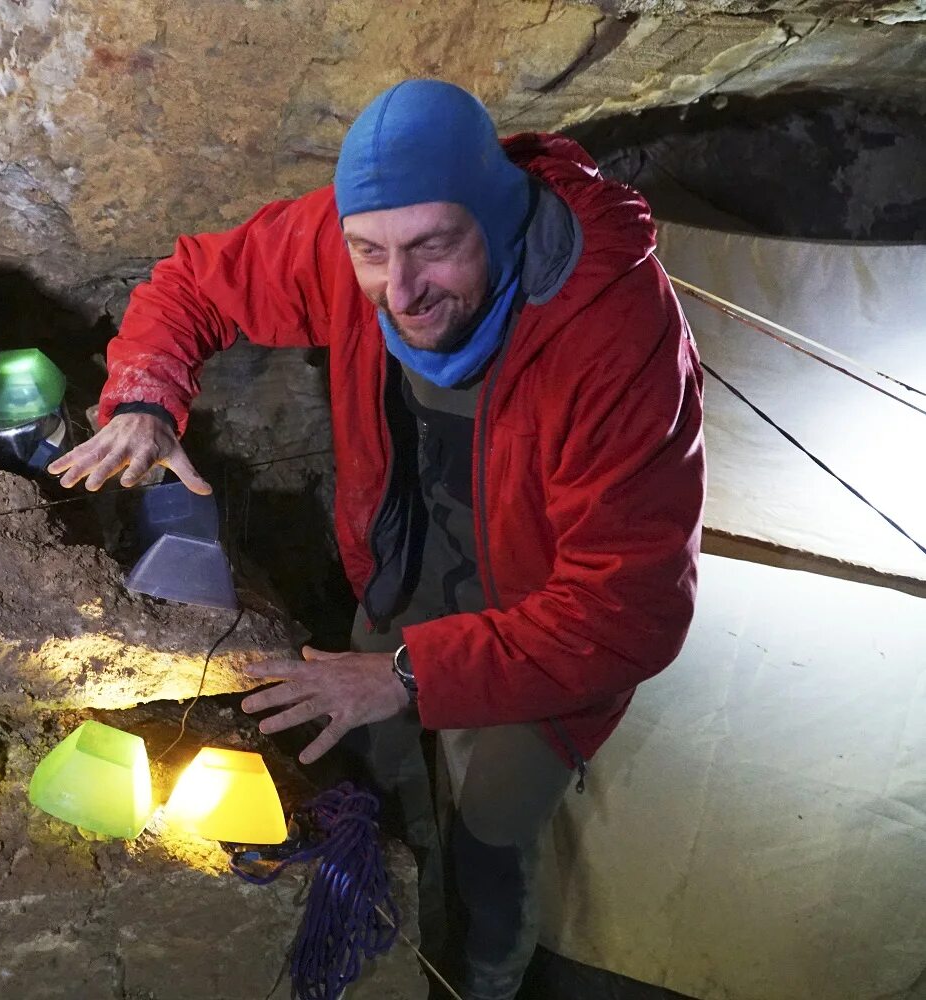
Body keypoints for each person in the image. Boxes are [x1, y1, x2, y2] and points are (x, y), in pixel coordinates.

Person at [48, 79, 705, 1000]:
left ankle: (483, 980)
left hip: (551, 626)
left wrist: (401, 675)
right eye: (370, 253)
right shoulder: (366, 233)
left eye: (435, 248)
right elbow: (194, 281)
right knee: (372, 784)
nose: (400, 291)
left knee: (492, 828)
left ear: (497, 217)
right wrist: (149, 396)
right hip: (406, 576)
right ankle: (402, 948)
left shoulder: (615, 337)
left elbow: (629, 612)